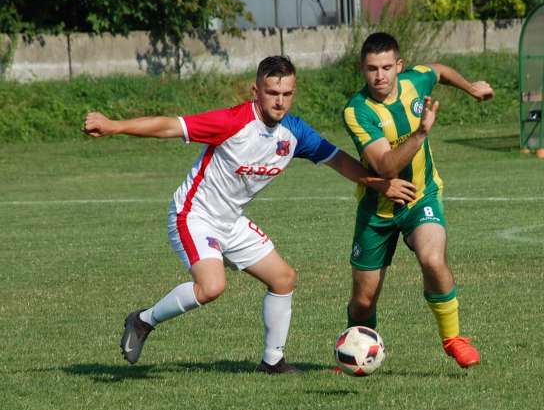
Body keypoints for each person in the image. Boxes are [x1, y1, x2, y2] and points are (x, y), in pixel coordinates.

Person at [82, 56, 416, 374]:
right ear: (255, 92)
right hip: (194, 214)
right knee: (212, 287)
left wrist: (379, 184)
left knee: (283, 279)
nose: (280, 101)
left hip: (231, 221)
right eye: (272, 93)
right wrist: (114, 126)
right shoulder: (232, 122)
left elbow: (339, 161)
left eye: (287, 94)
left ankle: (273, 363)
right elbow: (170, 126)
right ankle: (143, 320)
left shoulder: (295, 133)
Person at [341, 32, 493, 369]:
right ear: (362, 69)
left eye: (385, 67)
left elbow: (438, 70)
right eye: (371, 69)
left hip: (421, 196)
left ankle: (453, 338)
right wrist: (421, 133)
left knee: (432, 259)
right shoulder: (357, 111)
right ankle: (354, 347)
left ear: (399, 66)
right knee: (363, 301)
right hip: (377, 210)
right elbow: (385, 166)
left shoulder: (415, 82)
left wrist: (470, 88)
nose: (379, 76)